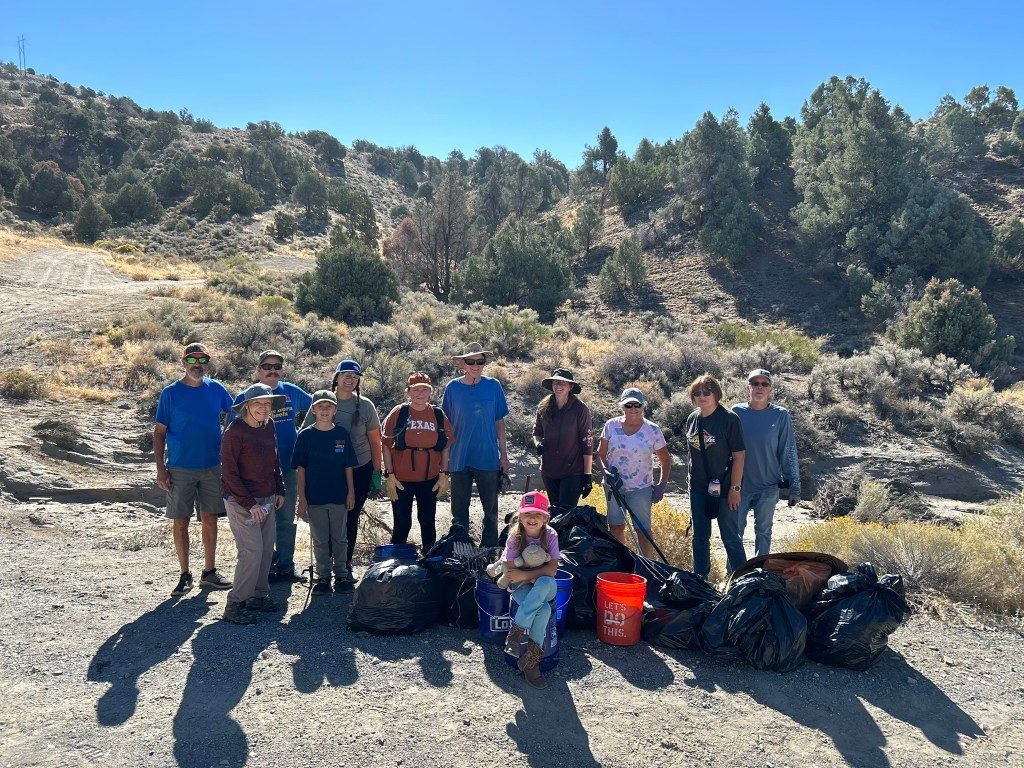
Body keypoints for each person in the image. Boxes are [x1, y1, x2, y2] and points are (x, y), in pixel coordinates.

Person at [153, 342, 234, 597]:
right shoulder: (171, 393)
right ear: (183, 363)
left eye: (202, 361)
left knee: (210, 518)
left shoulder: (217, 389)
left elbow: (235, 416)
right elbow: (159, 434)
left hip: (211, 465)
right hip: (179, 467)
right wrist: (160, 470)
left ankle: (209, 572)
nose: (197, 366)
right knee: (181, 521)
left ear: (207, 364)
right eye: (192, 361)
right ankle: (184, 574)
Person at [231, 350, 312, 584]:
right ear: (258, 369)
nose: (272, 370)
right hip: (254, 473)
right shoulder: (246, 396)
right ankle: (265, 567)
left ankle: (286, 567)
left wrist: (307, 437)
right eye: (267, 366)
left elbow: (319, 409)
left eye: (277, 366)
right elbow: (232, 432)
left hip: (287, 468)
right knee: (260, 521)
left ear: (282, 369)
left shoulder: (292, 392)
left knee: (286, 519)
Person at [300, 359, 382, 584]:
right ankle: (324, 569)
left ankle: (344, 566)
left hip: (358, 469)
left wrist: (377, 472)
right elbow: (306, 434)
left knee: (350, 517)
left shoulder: (365, 405)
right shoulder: (323, 401)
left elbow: (375, 442)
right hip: (326, 471)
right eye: (345, 375)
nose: (350, 380)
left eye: (354, 377)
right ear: (336, 378)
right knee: (326, 519)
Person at [220, 384, 286, 624]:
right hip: (241, 501)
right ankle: (235, 603)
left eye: (267, 404)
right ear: (247, 406)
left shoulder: (270, 426)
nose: (263, 408)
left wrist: (280, 489)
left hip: (267, 498)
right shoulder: (234, 432)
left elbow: (274, 460)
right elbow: (229, 473)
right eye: (258, 403)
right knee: (251, 552)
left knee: (266, 549)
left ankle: (257, 596)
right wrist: (250, 504)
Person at [441, 342, 509, 547]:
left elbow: (500, 423)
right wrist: (444, 462)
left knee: (491, 511)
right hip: (459, 458)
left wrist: (504, 456)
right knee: (459, 512)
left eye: (480, 361)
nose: (475, 365)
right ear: (462, 363)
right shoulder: (452, 388)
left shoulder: (493, 386)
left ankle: (488, 551)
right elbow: (446, 426)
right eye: (471, 361)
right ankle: (461, 549)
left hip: (487, 457)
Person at [293, 390, 358, 594]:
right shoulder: (305, 436)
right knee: (320, 539)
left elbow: (348, 466)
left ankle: (341, 575)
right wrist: (302, 498)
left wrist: (351, 492)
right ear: (312, 410)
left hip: (339, 496)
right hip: (315, 498)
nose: (324, 410)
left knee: (340, 538)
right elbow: (300, 469)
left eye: (328, 407)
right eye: (320, 407)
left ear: (335, 410)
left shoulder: (341, 434)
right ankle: (323, 577)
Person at [732, 368, 801, 560]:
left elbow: (787, 450)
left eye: (764, 384)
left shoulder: (780, 415)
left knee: (763, 532)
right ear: (748, 388)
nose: (759, 387)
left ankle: (760, 573)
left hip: (769, 487)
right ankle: (734, 574)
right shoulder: (736, 412)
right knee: (735, 533)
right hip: (739, 487)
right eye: (755, 383)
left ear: (771, 389)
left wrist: (794, 486)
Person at [381, 372, 454, 551]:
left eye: (424, 389)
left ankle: (429, 558)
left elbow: (445, 446)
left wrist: (444, 474)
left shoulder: (438, 415)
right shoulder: (399, 413)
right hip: (401, 479)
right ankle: (396, 559)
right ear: (408, 392)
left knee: (428, 520)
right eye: (415, 390)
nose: (420, 394)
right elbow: (386, 445)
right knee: (402, 522)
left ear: (430, 392)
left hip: (429, 479)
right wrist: (389, 474)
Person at [595, 388, 671, 559]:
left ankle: (646, 567)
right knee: (615, 528)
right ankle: (621, 564)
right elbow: (599, 455)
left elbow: (665, 459)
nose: (633, 409)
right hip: (614, 486)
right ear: (622, 406)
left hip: (641, 488)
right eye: (628, 405)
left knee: (642, 530)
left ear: (643, 406)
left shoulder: (652, 429)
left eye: (637, 405)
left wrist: (661, 486)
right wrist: (606, 472)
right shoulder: (611, 426)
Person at [685, 374, 746, 580]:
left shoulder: (729, 419)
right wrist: (690, 486)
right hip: (698, 489)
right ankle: (700, 579)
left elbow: (739, 456)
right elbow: (690, 454)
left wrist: (735, 489)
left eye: (706, 392)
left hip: (725, 488)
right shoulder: (693, 418)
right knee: (700, 537)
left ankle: (743, 580)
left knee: (730, 537)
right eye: (697, 393)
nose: (702, 396)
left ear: (716, 394)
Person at [501, 491, 560, 691]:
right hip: (521, 588)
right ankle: (531, 663)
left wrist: (525, 575)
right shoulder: (515, 537)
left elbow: (552, 570)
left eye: (537, 514)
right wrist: (525, 577)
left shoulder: (550, 535)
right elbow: (510, 572)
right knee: (542, 610)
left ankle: (515, 634)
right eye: (527, 514)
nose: (532, 518)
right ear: (520, 516)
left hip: (543, 585)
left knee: (544, 583)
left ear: (545, 518)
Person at [532, 368, 594, 508]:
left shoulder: (580, 409)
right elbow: (537, 432)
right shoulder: (543, 407)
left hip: (572, 471)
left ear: (570, 387)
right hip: (549, 469)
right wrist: (538, 444)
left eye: (563, 383)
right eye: (555, 382)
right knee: (554, 512)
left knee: (566, 513)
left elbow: (588, 443)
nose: (558, 386)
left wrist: (587, 475)